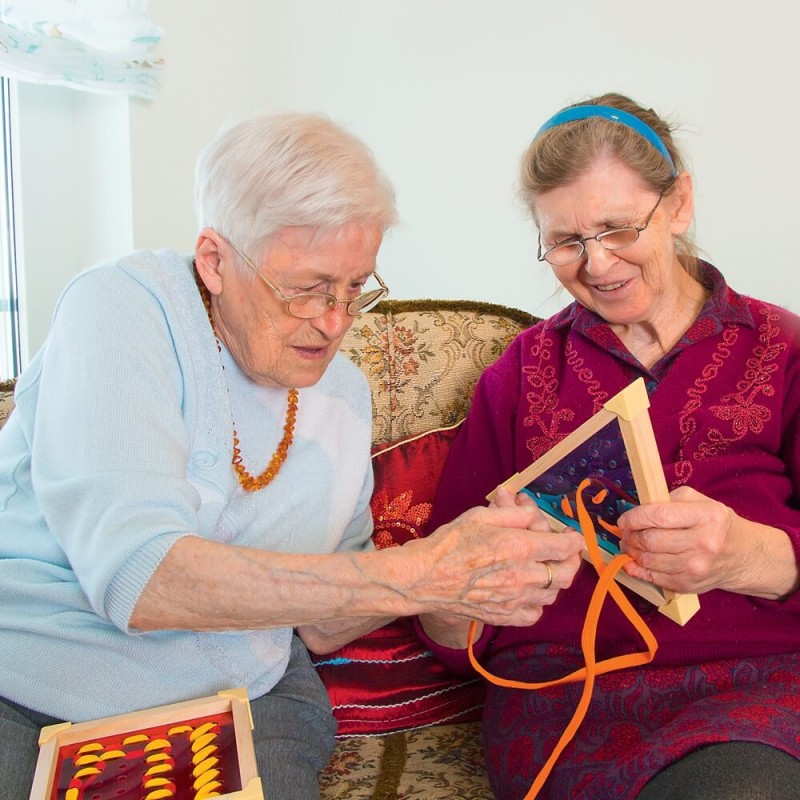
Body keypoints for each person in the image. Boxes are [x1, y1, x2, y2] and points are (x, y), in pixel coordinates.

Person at [0, 111, 584, 800]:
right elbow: (141, 576)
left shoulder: (343, 393)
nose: (335, 322)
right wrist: (418, 573)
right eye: (306, 288)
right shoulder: (121, 310)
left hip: (245, 697)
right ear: (215, 261)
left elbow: (322, 621)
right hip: (38, 688)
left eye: (355, 287)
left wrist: (459, 559)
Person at [417, 93, 800, 800]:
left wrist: (749, 553)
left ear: (679, 204)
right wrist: (473, 582)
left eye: (618, 228)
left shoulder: (782, 351)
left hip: (758, 692)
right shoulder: (520, 375)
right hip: (570, 702)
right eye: (566, 242)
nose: (597, 265)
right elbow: (447, 632)